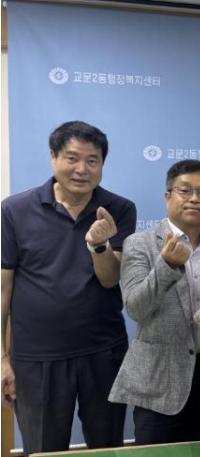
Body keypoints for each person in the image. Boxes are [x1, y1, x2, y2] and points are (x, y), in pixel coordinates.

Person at [1, 121, 136, 456]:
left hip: (103, 352)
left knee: (107, 447)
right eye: (72, 158)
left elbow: (110, 279)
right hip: (36, 358)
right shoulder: (14, 210)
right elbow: (3, 288)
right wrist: (2, 358)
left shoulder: (119, 209)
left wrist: (99, 245)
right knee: (44, 448)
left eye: (92, 160)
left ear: (102, 164)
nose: (82, 169)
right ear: (53, 157)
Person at [108, 160, 200, 444]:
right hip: (160, 381)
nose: (194, 199)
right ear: (167, 196)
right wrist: (167, 265)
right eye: (185, 190)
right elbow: (136, 308)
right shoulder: (139, 243)